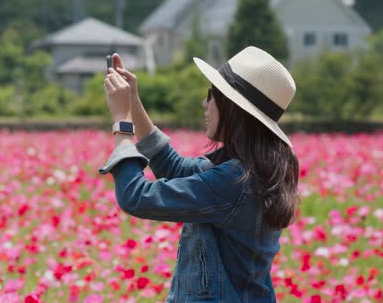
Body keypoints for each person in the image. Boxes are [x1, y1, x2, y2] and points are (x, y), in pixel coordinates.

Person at [99, 46, 300, 302]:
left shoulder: (235, 182)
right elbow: (174, 169)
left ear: (232, 108)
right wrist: (133, 103)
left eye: (211, 94)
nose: (205, 103)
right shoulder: (253, 171)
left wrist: (122, 124)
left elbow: (136, 197)